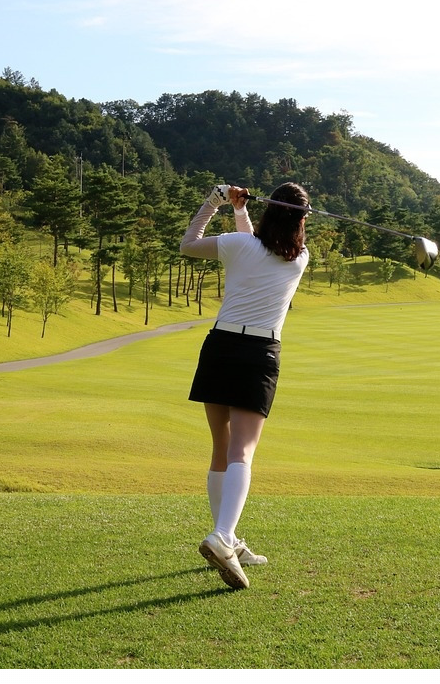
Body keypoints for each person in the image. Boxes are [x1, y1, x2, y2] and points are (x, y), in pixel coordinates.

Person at [179, 182, 311, 590]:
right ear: (301, 221)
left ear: (268, 210)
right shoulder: (300, 258)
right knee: (242, 450)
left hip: (220, 346)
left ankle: (229, 540)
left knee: (221, 446)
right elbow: (260, 248)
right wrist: (240, 212)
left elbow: (189, 244)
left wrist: (216, 201)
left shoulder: (238, 245)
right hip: (259, 353)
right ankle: (222, 537)